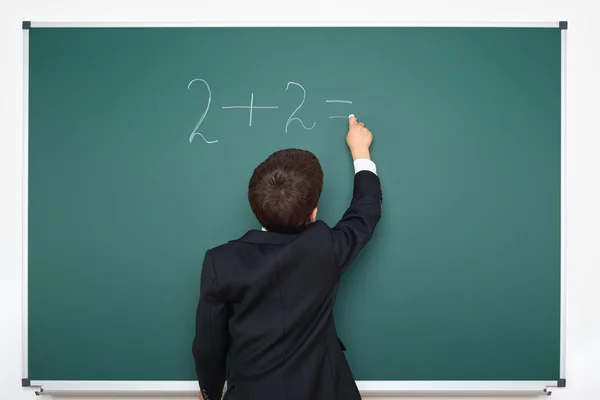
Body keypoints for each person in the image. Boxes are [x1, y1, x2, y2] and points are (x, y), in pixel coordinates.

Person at [192, 115, 382, 400]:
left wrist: (210, 393)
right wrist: (360, 152)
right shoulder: (324, 247)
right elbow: (365, 212)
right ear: (314, 212)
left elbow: (209, 346)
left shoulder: (221, 262)